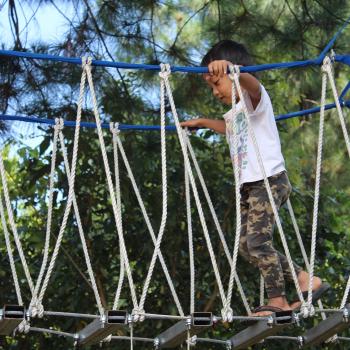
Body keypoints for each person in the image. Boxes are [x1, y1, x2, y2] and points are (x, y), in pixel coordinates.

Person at [180, 40, 329, 316]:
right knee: (247, 247)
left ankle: (278, 300)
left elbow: (252, 84)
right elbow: (228, 128)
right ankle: (304, 279)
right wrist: (201, 122)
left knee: (259, 242)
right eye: (211, 88)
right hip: (249, 188)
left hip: (268, 180)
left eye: (216, 84)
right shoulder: (237, 112)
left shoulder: (256, 99)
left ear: (233, 72)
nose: (214, 92)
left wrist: (235, 71)